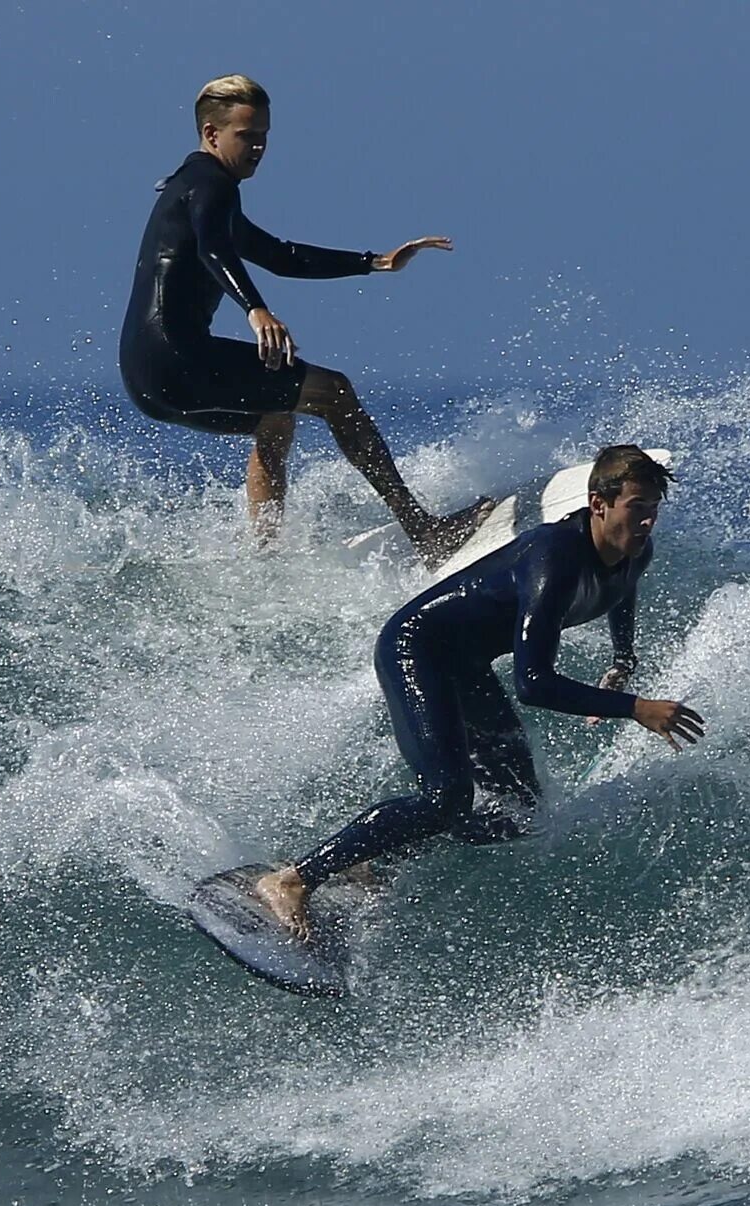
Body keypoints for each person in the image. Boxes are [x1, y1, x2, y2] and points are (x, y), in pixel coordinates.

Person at [253, 445, 706, 938]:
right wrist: (634, 708)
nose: (647, 523)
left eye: (654, 511)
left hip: (464, 663)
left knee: (520, 813)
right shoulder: (553, 557)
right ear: (599, 503)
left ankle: (365, 857)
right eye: (636, 508)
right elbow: (533, 684)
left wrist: (622, 661)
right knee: (446, 797)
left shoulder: (633, 552)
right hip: (417, 649)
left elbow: (623, 590)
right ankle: (293, 879)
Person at [119, 74, 490, 561]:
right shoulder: (211, 184)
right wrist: (255, 309)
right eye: (246, 136)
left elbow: (278, 255)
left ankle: (266, 559)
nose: (258, 148)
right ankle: (424, 532)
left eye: (264, 137)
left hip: (146, 375)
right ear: (212, 134)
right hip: (176, 357)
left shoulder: (195, 190)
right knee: (334, 392)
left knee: (275, 418)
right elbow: (213, 250)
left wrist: (375, 261)